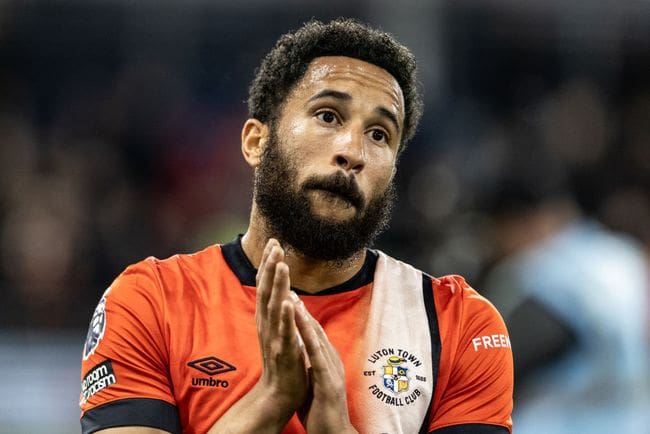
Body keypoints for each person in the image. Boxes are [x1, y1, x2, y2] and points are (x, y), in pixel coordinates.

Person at [79, 18, 513, 434]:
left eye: (380, 134)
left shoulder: (459, 326)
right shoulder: (150, 303)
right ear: (256, 141)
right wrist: (271, 399)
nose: (352, 151)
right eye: (328, 116)